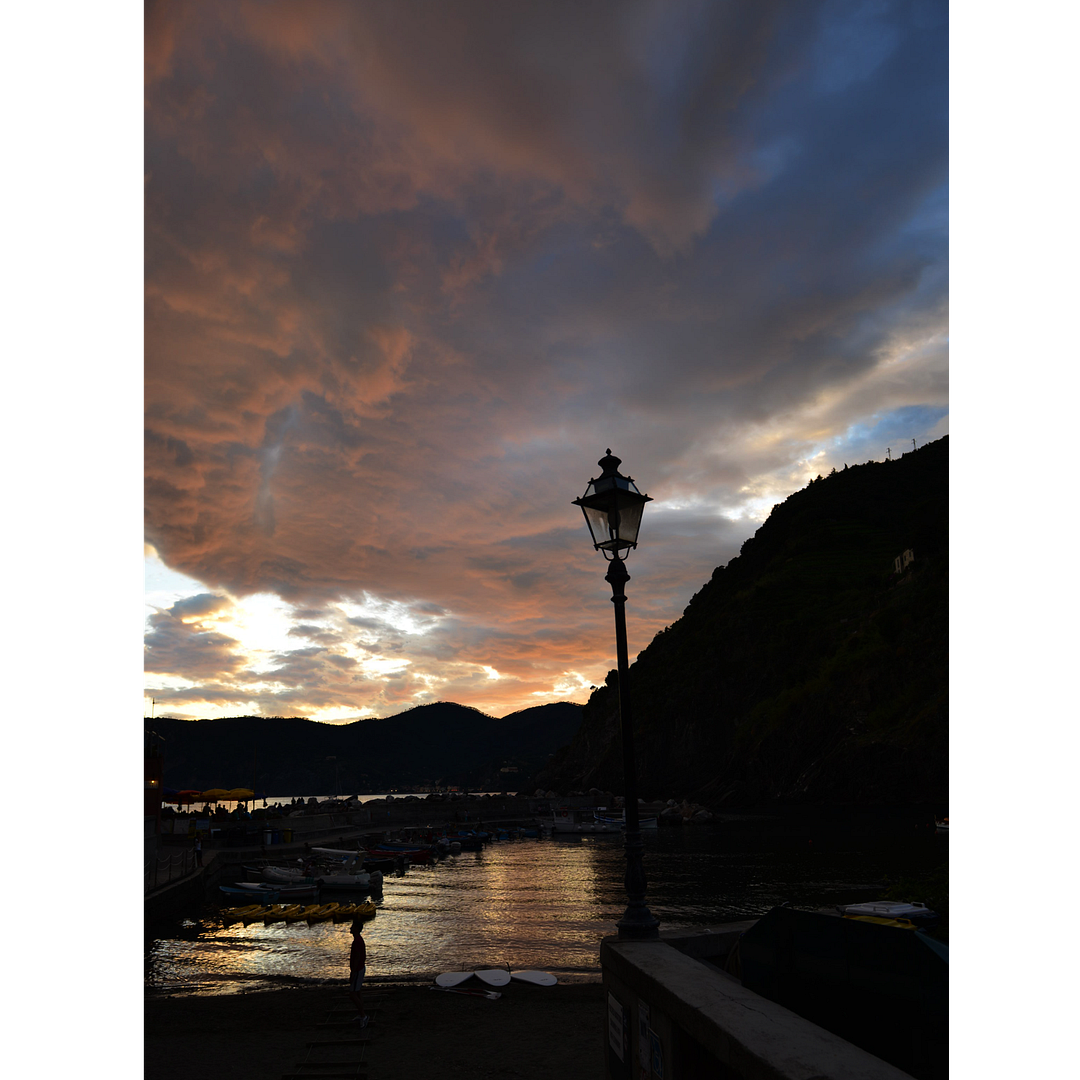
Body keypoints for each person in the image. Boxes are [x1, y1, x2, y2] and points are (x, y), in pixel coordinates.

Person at [349, 921, 368, 1026]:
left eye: (352, 926)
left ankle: (363, 1015)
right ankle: (361, 1015)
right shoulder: (358, 940)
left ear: (356, 928)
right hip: (360, 969)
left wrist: (353, 973)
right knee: (358, 992)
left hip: (358, 970)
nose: (350, 928)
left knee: (352, 994)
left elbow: (356, 958)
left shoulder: (357, 941)